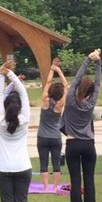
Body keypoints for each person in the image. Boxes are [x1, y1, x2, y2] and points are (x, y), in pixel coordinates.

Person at [59, 49, 102, 202]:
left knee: (76, 180)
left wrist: (87, 60)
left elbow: (76, 80)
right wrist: (98, 63)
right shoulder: (91, 103)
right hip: (89, 144)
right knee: (89, 180)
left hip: (73, 144)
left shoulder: (70, 99)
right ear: (91, 91)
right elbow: (98, 84)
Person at [0, 60, 31, 202]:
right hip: (23, 167)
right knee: (22, 201)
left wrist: (3, 74)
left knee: (7, 201)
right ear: (19, 108)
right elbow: (23, 93)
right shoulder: (24, 120)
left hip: (4, 168)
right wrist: (9, 74)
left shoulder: (0, 121)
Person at [36, 58, 68, 191]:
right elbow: (66, 85)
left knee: (43, 163)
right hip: (55, 137)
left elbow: (48, 82)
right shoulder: (60, 104)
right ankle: (55, 187)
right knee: (56, 163)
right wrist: (58, 71)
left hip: (42, 136)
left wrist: (51, 69)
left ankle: (45, 187)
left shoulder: (45, 101)